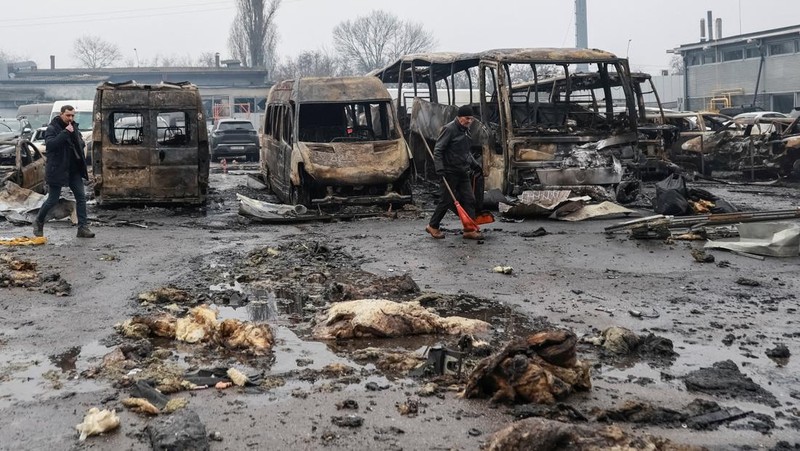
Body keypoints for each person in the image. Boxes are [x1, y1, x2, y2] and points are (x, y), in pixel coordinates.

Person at [33, 105, 95, 238]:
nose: (70, 118)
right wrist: (65, 133)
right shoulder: (52, 128)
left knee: (81, 197)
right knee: (52, 199)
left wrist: (78, 140)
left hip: (73, 169)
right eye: (68, 115)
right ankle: (39, 221)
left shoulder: (74, 127)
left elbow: (80, 143)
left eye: (73, 115)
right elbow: (51, 145)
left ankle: (83, 227)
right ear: (61, 114)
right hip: (57, 170)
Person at [426, 105, 483, 240]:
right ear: (459, 117)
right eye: (467, 118)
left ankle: (469, 229)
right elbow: (438, 150)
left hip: (462, 171)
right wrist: (439, 168)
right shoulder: (449, 129)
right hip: (449, 172)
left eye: (471, 119)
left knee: (470, 199)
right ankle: (433, 226)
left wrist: (475, 165)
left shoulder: (466, 131)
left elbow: (466, 152)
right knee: (446, 201)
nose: (469, 121)